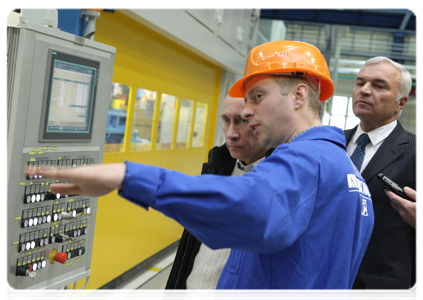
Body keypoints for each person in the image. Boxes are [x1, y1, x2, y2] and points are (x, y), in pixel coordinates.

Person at [26, 40, 374, 300]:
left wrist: (128, 177)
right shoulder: (349, 176)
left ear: (299, 96)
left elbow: (249, 207)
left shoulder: (305, 161)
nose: (247, 111)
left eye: (257, 96)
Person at [162, 95, 270, 300]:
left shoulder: (278, 182)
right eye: (226, 120)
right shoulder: (218, 168)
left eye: (241, 121)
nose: (231, 134)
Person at [344, 56, 420, 300]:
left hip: (381, 290)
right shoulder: (330, 143)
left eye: (379, 85)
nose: (364, 90)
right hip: (322, 283)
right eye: (360, 83)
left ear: (401, 102)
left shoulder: (416, 152)